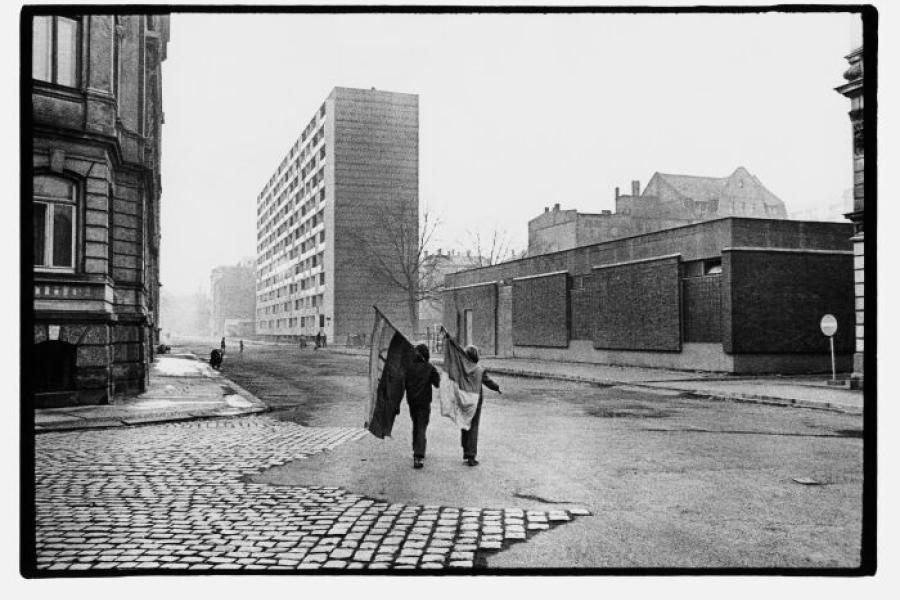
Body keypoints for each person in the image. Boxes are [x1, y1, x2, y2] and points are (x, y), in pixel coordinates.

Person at [461, 345, 501, 467]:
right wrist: (497, 388)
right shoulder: (479, 370)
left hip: (464, 400)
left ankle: (466, 452)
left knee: (465, 425)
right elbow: (488, 382)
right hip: (476, 401)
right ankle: (471, 456)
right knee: (474, 427)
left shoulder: (462, 369)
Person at [404, 343, 440, 469]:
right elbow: (438, 383)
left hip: (412, 402)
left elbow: (402, 385)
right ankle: (418, 455)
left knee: (416, 425)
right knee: (421, 427)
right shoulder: (429, 367)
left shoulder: (408, 367)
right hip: (424, 403)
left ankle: (416, 448)